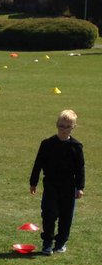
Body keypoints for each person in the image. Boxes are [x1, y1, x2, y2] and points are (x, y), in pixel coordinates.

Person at [29, 109, 85, 255]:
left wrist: (80, 187)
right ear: (56, 125)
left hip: (68, 187)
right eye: (61, 126)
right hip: (51, 186)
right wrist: (33, 182)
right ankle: (47, 242)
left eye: (67, 126)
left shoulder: (76, 147)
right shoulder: (47, 144)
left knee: (66, 217)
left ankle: (60, 243)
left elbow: (80, 169)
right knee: (49, 214)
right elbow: (38, 163)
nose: (64, 129)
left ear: (74, 127)